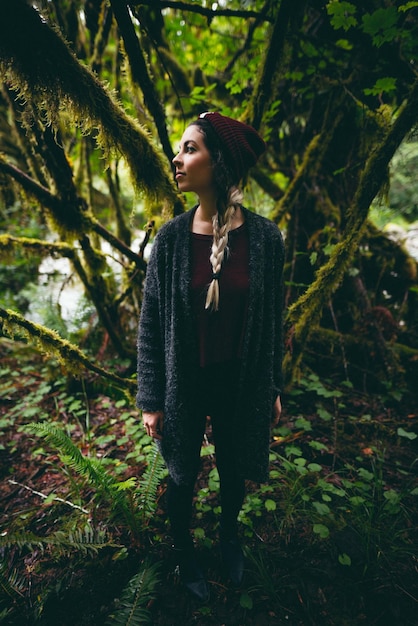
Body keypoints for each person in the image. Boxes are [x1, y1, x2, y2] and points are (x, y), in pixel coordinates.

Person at [136, 111, 285, 602]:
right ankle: (183, 547)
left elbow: (271, 324)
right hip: (186, 380)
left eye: (189, 149)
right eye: (180, 149)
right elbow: (151, 325)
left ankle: (228, 537)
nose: (177, 159)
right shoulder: (172, 239)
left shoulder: (265, 240)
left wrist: (274, 386)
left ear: (218, 164)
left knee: (234, 467)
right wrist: (151, 398)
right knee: (181, 472)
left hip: (238, 381)